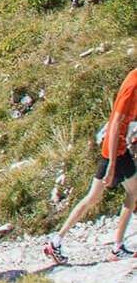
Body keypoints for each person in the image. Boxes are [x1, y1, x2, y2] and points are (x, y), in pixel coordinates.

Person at [48, 65, 137, 264]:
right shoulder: (133, 85)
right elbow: (116, 123)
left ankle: (57, 241)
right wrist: (112, 165)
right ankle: (117, 247)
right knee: (127, 193)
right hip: (116, 151)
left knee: (95, 197)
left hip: (116, 149)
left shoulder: (133, 77)